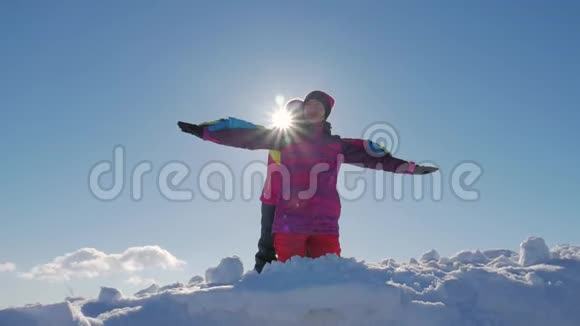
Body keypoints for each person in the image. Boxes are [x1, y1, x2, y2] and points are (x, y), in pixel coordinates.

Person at [178, 90, 438, 263]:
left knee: (328, 280)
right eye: (309, 104)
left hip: (326, 222)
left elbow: (374, 156)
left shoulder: (338, 145)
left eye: (318, 106)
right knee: (289, 283)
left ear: (326, 113)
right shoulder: (285, 138)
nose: (313, 108)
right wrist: (205, 132)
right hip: (290, 221)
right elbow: (244, 135)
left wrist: (411, 168)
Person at [255, 98, 304, 273]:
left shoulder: (308, 140)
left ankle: (291, 274)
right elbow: (249, 137)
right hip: (272, 197)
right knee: (267, 239)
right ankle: (262, 273)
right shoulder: (275, 135)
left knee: (293, 239)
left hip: (295, 200)